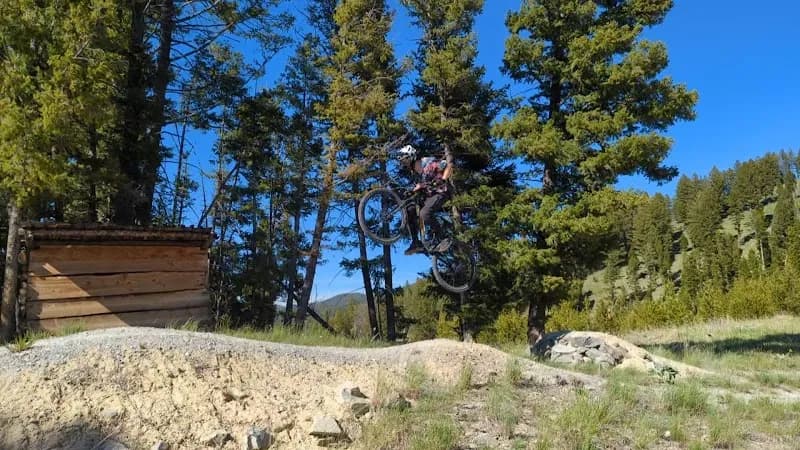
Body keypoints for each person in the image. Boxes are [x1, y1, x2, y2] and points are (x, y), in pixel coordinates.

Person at [397, 145, 452, 255]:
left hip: (441, 192)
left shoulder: (428, 162)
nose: (404, 164)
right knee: (409, 210)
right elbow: (421, 185)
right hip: (430, 196)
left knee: (424, 213)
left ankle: (444, 236)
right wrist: (413, 190)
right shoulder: (416, 173)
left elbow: (448, 166)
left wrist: (443, 179)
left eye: (404, 160)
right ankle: (416, 242)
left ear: (410, 157)